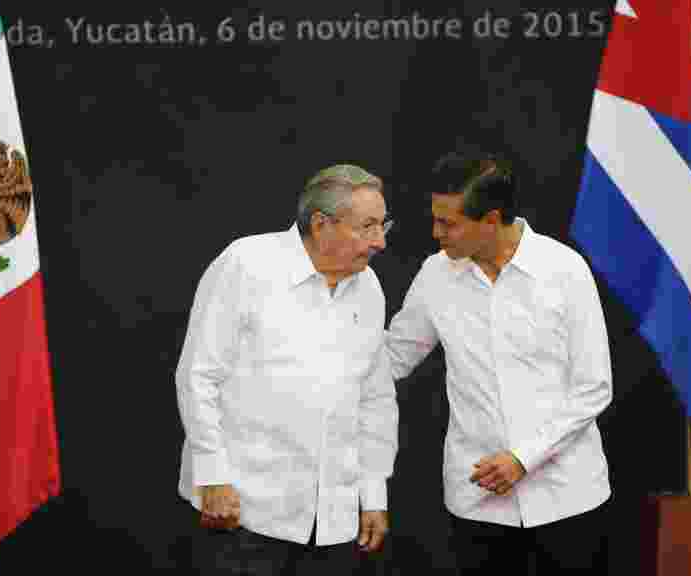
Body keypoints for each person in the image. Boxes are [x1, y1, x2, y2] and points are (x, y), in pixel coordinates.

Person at [386, 152, 613, 574]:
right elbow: (393, 358)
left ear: (491, 220)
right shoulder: (435, 275)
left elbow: (594, 387)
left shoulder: (565, 270)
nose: (436, 233)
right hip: (477, 503)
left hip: (568, 499)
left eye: (448, 223)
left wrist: (522, 458)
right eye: (435, 219)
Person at [174, 164, 399, 575]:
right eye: (367, 227)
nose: (380, 242)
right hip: (243, 512)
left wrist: (373, 494)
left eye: (383, 225)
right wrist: (212, 477)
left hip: (333, 522)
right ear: (321, 224)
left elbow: (376, 399)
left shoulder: (369, 288)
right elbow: (198, 376)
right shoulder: (247, 263)